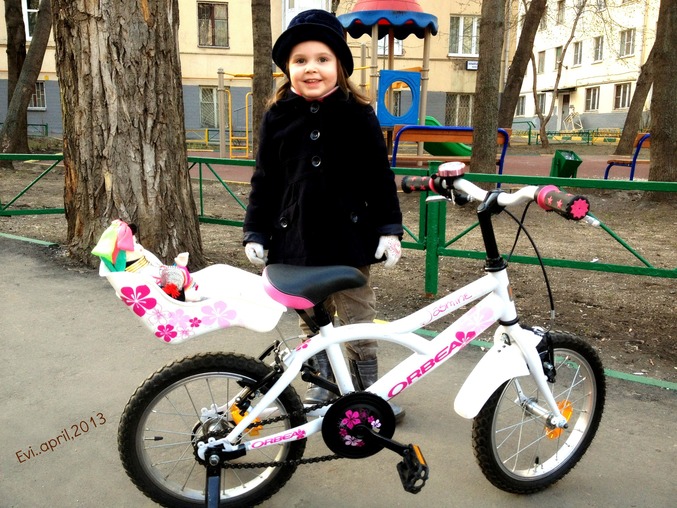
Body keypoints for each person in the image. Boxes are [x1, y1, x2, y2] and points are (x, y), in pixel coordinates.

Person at [242, 9, 404, 420]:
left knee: (357, 317)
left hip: (349, 241)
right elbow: (265, 180)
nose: (311, 68)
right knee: (311, 321)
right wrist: (256, 231)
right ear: (288, 69)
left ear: (339, 66)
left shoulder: (358, 113)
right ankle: (323, 388)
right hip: (294, 239)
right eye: (300, 60)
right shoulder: (277, 116)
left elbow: (378, 176)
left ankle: (369, 393)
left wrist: (389, 229)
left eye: (322, 59)